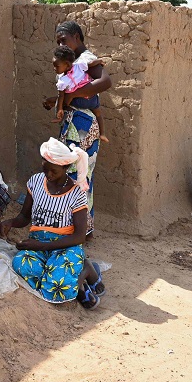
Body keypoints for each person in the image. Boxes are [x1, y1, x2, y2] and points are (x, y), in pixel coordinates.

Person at [0, 138, 104, 309]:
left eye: (53, 171)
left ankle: (86, 272)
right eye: (45, 169)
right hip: (38, 243)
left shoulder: (76, 193)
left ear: (66, 168)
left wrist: (40, 246)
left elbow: (79, 237)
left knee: (57, 283)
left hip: (66, 245)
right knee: (21, 265)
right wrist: (10, 222)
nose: (48, 175)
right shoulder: (36, 182)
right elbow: (25, 217)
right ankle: (76, 283)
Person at [42, 20, 113, 239]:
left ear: (77, 37)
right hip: (72, 122)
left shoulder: (86, 59)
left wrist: (73, 96)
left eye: (64, 39)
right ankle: (79, 228)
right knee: (73, 173)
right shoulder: (71, 62)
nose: (61, 44)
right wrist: (57, 100)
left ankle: (80, 230)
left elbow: (105, 81)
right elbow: (75, 90)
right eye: (58, 42)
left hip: (83, 124)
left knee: (77, 175)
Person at [52, 45, 108, 143]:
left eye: (57, 66)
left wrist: (60, 109)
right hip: (91, 97)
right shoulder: (79, 65)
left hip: (79, 101)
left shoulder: (62, 81)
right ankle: (102, 134)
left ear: (67, 65)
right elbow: (91, 64)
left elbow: (60, 97)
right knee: (98, 113)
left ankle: (60, 119)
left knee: (66, 101)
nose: (54, 68)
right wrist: (99, 61)